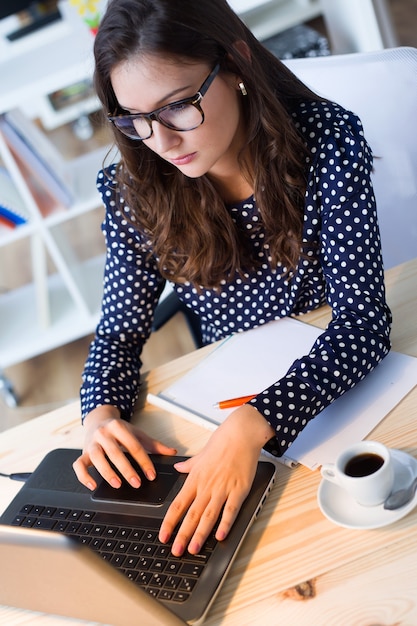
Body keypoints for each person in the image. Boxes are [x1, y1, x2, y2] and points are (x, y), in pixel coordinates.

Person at [73, 0, 392, 557]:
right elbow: (118, 335)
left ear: (237, 64)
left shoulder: (327, 144)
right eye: (134, 119)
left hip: (326, 391)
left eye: (177, 107)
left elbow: (363, 324)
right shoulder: (136, 187)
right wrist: (99, 415)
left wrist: (252, 426)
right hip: (222, 394)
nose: (162, 142)